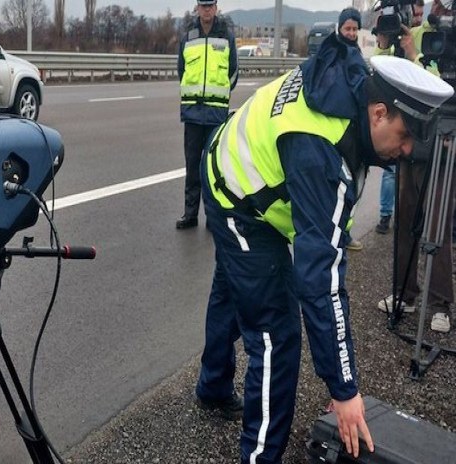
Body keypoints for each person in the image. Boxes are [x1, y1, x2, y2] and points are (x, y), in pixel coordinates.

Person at [194, 27, 453, 464]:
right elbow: (321, 280)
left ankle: (212, 386)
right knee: (276, 335)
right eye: (405, 137)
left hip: (240, 166)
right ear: (378, 112)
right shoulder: (322, 148)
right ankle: (259, 456)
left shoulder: (350, 80)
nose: (406, 152)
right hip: (236, 195)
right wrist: (344, 387)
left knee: (236, 289)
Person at [375, 0, 455, 333]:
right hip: (410, 140)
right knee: (406, 221)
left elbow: (440, 91)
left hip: (441, 140)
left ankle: (440, 305)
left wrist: (414, 56)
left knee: (437, 223)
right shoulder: (415, 34)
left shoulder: (443, 39)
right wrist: (387, 44)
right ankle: (404, 293)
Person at [176, 0, 238, 229]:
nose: (207, 10)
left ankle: (213, 218)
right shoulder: (188, 36)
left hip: (215, 115)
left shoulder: (226, 36)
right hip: (192, 113)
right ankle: (190, 215)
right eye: (203, 6)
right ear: (197, 8)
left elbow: (233, 73)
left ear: (216, 7)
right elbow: (181, 70)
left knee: (214, 171)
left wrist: (220, 98)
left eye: (210, 6)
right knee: (192, 168)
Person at [374, 0, 425, 235]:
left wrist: (413, 53)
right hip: (394, 114)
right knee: (390, 171)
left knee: (417, 178)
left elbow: (431, 80)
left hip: (420, 126)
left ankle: (419, 220)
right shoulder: (390, 41)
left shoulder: (420, 35)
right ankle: (385, 215)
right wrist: (383, 44)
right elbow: (377, 73)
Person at [337, 7, 365, 251]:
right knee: (344, 183)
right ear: (339, 29)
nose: (352, 33)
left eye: (355, 29)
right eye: (348, 28)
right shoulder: (336, 54)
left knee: (352, 184)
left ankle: (344, 232)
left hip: (353, 128)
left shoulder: (356, 52)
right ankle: (339, 233)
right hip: (339, 130)